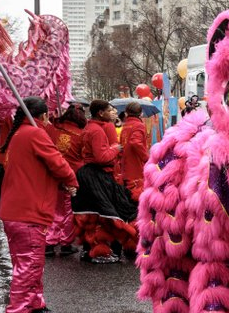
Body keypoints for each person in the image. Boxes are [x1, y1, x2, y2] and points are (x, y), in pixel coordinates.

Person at [0, 97, 78, 313]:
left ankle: (34, 304)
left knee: (31, 263)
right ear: (42, 116)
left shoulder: (18, 135)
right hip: (28, 211)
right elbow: (57, 162)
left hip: (18, 209)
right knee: (29, 263)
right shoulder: (34, 133)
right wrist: (71, 181)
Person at [72, 100, 138, 263]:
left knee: (94, 214)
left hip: (89, 175)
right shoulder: (98, 130)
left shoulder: (89, 127)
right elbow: (102, 157)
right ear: (101, 113)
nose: (114, 112)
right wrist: (115, 149)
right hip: (98, 175)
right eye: (110, 110)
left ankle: (91, 250)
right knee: (109, 213)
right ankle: (109, 250)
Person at [44, 102, 87, 257]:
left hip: (52, 173)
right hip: (71, 174)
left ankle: (49, 242)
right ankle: (65, 243)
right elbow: (84, 156)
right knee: (68, 210)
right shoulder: (81, 134)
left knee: (52, 207)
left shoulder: (52, 128)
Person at [120, 101, 150, 201]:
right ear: (140, 113)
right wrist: (146, 158)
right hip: (135, 164)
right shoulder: (139, 125)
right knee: (136, 194)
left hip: (126, 164)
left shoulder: (125, 125)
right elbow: (135, 142)